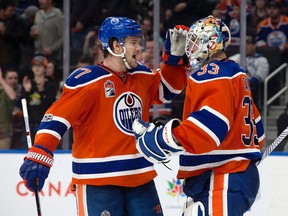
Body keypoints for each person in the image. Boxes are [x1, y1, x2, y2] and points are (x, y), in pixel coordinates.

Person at [19, 16, 189, 216]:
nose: (139, 48)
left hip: (140, 178)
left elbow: (169, 89)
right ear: (116, 45)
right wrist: (40, 153)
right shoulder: (88, 80)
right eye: (133, 42)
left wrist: (175, 61)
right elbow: (57, 118)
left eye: (139, 42)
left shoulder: (141, 74)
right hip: (97, 182)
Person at [132, 15, 265, 216]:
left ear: (211, 44)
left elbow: (209, 128)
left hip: (222, 176)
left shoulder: (211, 73)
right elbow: (259, 134)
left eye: (194, 42)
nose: (189, 48)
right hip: (233, 176)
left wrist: (161, 139)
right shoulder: (237, 74)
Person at [19, 54, 57, 142]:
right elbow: (21, 104)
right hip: (28, 124)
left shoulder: (50, 85)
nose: (37, 68)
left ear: (45, 68)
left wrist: (42, 91)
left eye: (40, 66)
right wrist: (27, 91)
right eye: (35, 65)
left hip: (43, 124)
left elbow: (50, 105)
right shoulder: (28, 83)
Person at [229, 35, 269, 107]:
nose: (246, 46)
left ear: (254, 46)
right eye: (244, 44)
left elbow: (258, 78)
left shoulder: (261, 60)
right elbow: (226, 71)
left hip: (252, 88)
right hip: (236, 87)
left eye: (248, 44)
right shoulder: (236, 58)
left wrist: (244, 83)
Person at [0, 67, 17, 149]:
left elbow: (13, 96)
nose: (13, 80)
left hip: (4, 133)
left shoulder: (21, 90)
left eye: (15, 78)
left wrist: (1, 80)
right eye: (10, 78)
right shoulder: (2, 92)